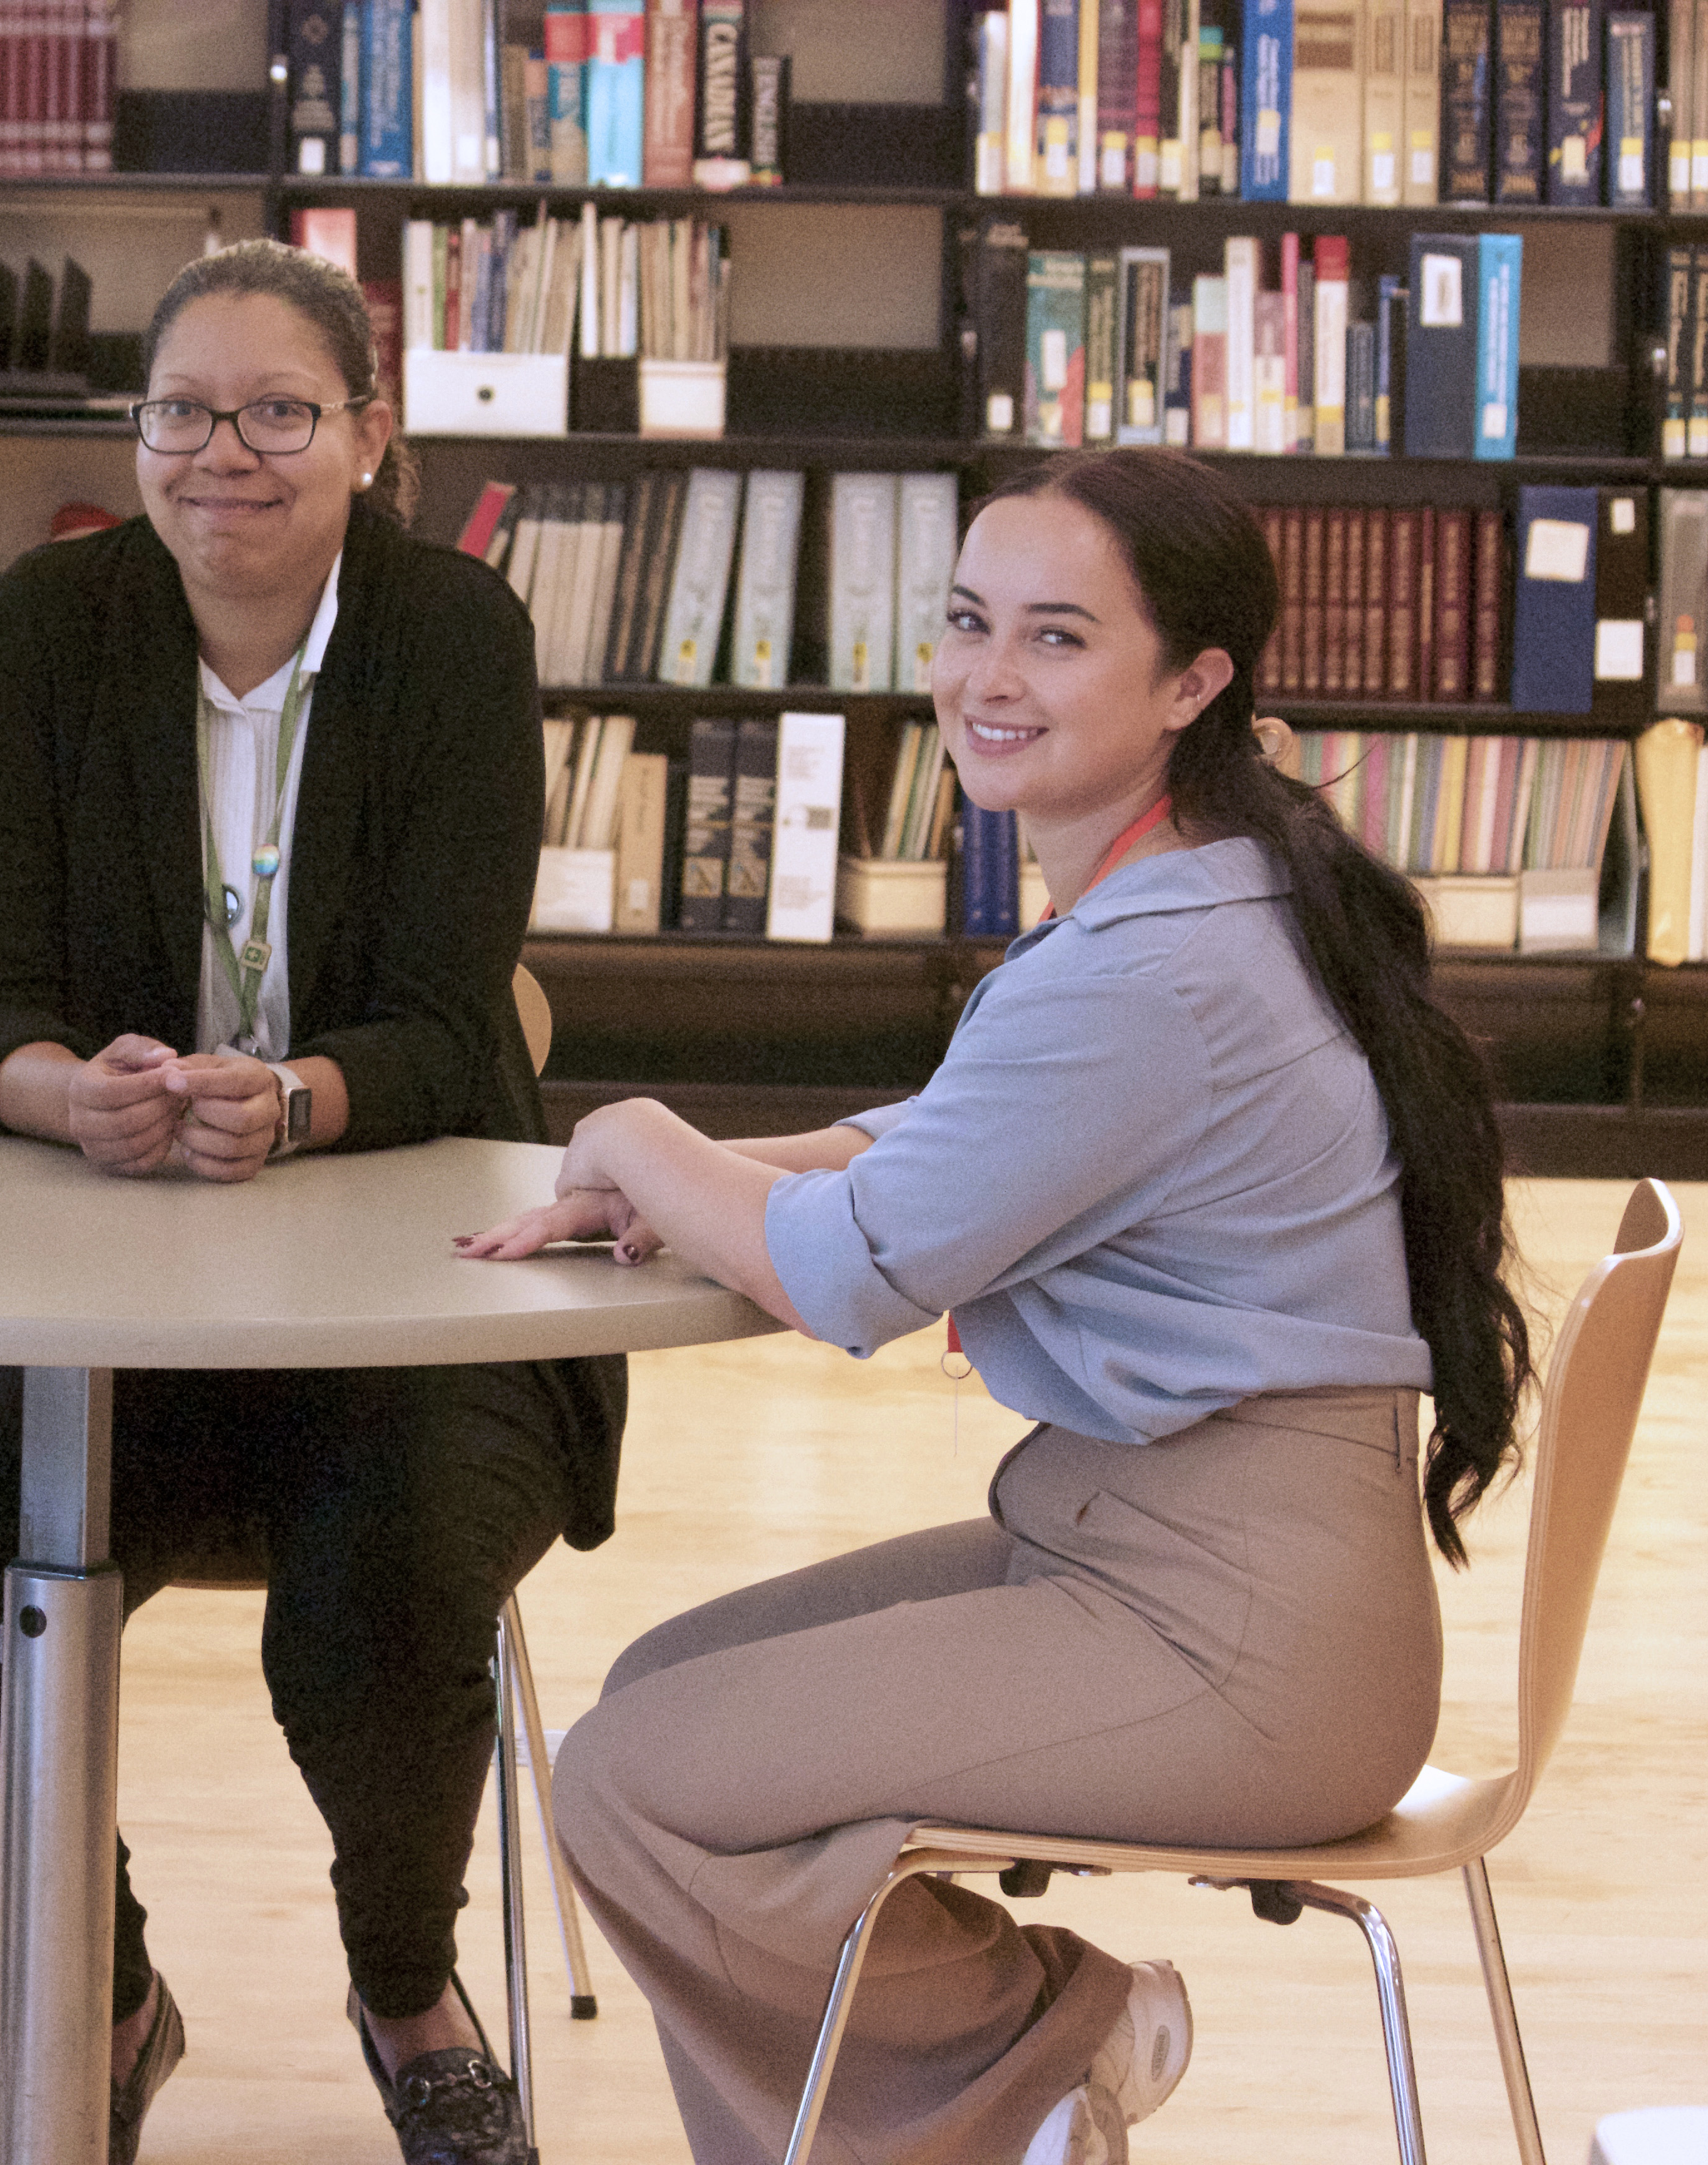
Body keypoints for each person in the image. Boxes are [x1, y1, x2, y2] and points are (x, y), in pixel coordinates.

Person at [461, 446, 1536, 2165]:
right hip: (1163, 1563)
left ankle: (1038, 2059)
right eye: (967, 624)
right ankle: (1024, 2085)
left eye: (1055, 637)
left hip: (1238, 1643)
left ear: (1194, 683)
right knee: (664, 1696)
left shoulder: (1150, 965)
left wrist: (634, 1134)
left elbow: (845, 1268)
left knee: (637, 1783)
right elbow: (950, 1147)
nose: (984, 678)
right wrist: (702, 1177)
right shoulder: (1196, 896)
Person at [0, 238, 625, 2165]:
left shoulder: (453, 636)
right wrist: (71, 1090)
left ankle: (406, 1989)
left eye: (280, 412)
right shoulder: (52, 628)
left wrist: (299, 1099)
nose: (226, 455)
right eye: (184, 412)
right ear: (137, 434)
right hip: (95, 1278)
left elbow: (465, 1030)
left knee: (385, 1597)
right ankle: (111, 1993)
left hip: (406, 1289)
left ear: (371, 438)